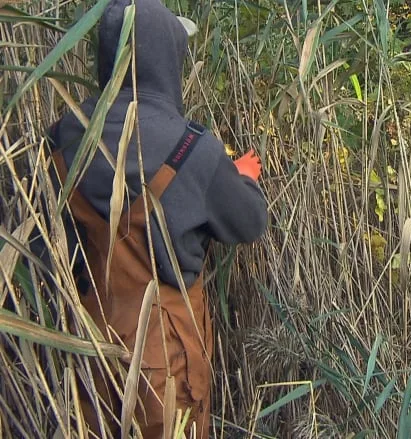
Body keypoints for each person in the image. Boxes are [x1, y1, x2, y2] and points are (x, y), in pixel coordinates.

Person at [45, 0, 268, 437]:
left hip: (84, 348)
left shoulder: (61, 137)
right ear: (165, 59)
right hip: (165, 364)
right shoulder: (192, 148)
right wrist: (241, 179)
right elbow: (250, 223)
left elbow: (43, 243)